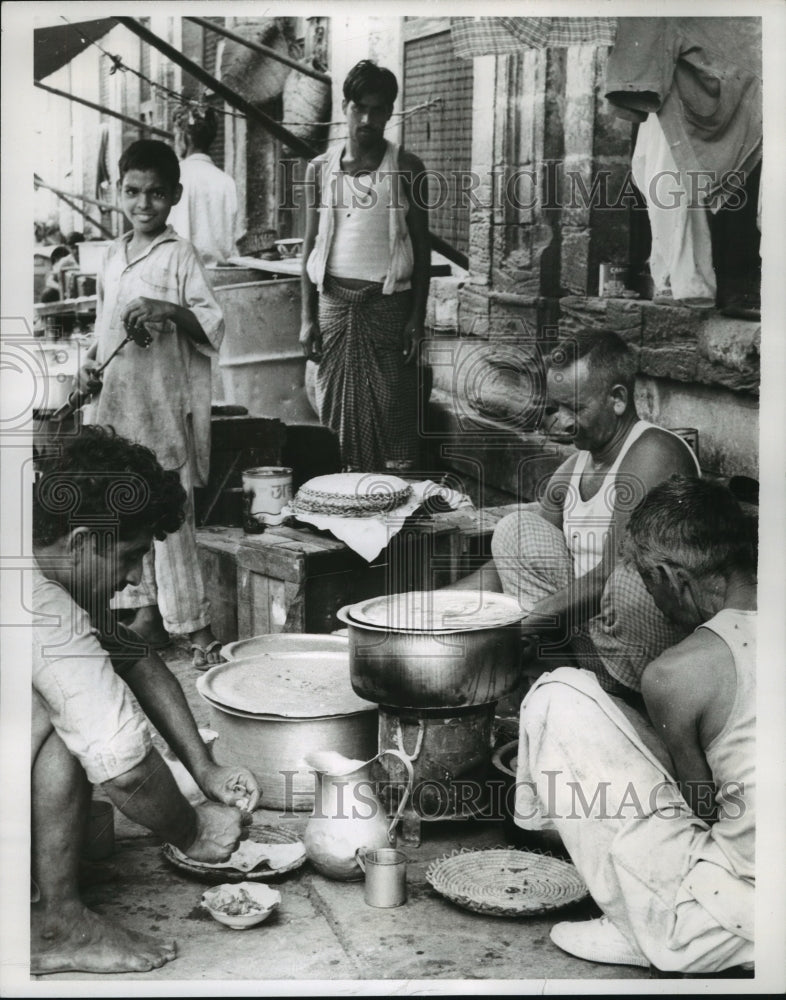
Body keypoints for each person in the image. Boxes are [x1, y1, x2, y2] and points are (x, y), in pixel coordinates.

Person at [32, 426, 261, 975]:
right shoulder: (45, 612)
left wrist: (202, 768)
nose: (136, 577)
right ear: (83, 541)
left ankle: (44, 884)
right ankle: (57, 924)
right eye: (131, 556)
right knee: (75, 730)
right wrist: (193, 831)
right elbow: (125, 770)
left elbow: (134, 654)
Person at [514, 476, 756, 973]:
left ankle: (645, 923)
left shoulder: (676, 674)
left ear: (673, 579)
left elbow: (701, 810)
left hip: (733, 919)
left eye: (647, 583)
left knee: (559, 695)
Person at [454, 329, 701, 694]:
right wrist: (439, 609)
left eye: (574, 407)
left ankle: (579, 690)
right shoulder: (573, 469)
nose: (559, 421)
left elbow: (609, 577)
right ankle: (570, 685)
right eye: (554, 408)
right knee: (514, 531)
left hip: (644, 646)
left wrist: (510, 630)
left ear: (617, 399)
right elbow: (510, 561)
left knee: (624, 585)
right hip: (590, 640)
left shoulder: (653, 453)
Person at [77, 139, 225, 668]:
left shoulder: (179, 254)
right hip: (118, 408)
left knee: (171, 517)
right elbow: (103, 327)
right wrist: (90, 363)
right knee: (125, 513)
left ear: (175, 196)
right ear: (118, 192)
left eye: (157, 193)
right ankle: (146, 614)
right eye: (134, 192)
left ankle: (196, 626)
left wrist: (168, 307)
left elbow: (213, 323)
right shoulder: (112, 256)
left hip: (162, 409)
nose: (145, 204)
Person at [299, 59, 430, 472]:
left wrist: (417, 318)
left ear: (391, 112)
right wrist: (307, 317)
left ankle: (391, 505)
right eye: (359, 107)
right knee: (334, 408)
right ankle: (340, 496)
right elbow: (309, 248)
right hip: (334, 308)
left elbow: (422, 251)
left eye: (378, 109)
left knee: (394, 409)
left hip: (388, 310)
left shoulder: (407, 168)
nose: (368, 118)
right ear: (344, 106)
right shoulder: (319, 169)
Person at [168, 103, 242, 266]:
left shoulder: (173, 176)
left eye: (176, 135)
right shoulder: (226, 182)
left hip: (181, 273)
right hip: (219, 277)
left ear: (184, 137)